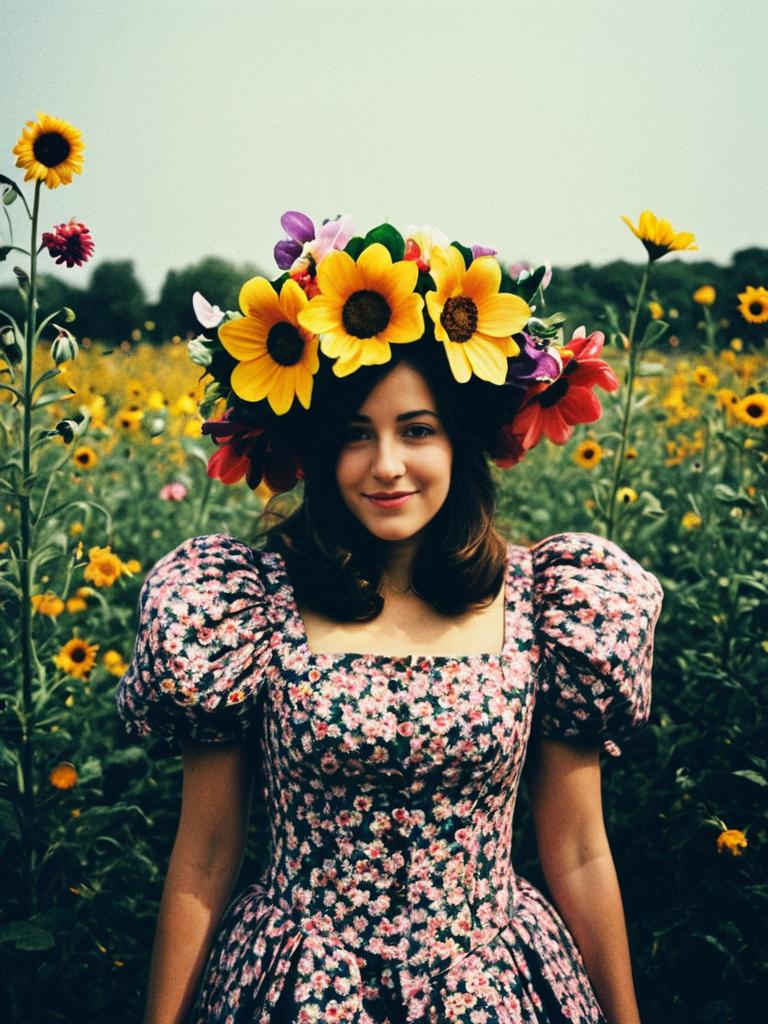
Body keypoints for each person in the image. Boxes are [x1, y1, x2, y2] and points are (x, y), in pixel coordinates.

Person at [116, 214, 664, 1024]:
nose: (387, 466)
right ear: (318, 453)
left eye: (417, 431)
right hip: (296, 987)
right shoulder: (247, 607)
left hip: (496, 985)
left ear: (460, 446)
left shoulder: (549, 606)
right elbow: (205, 851)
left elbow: (578, 848)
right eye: (354, 436)